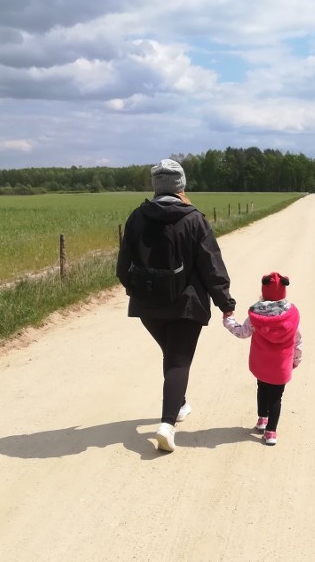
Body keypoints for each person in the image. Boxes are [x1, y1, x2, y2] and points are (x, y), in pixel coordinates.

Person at [117, 158, 236, 453]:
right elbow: (211, 265)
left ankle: (179, 403)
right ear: (181, 185)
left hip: (148, 306)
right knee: (179, 361)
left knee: (172, 357)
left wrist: (137, 291)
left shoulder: (136, 217)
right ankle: (167, 425)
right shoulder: (194, 218)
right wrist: (225, 302)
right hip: (187, 305)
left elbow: (123, 266)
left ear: (156, 187)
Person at [223, 271, 302, 446]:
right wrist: (296, 359)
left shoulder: (256, 316)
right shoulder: (292, 315)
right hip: (281, 366)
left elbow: (242, 332)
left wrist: (229, 320)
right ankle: (271, 432)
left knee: (262, 389)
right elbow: (297, 339)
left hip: (261, 363)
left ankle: (262, 420)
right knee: (276, 397)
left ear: (263, 292)